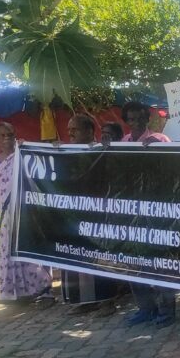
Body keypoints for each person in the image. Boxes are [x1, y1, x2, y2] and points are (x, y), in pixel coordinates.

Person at [0, 123, 54, 307]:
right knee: (10, 253)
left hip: (29, 212)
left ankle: (44, 291)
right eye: (2, 135)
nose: (7, 138)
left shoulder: (25, 153)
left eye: (10, 134)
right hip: (8, 215)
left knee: (32, 250)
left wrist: (27, 148)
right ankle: (20, 293)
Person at [119, 102, 176, 327]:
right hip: (131, 211)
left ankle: (166, 311)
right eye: (131, 119)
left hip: (156, 210)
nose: (135, 123)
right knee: (134, 263)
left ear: (147, 119)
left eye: (139, 118)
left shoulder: (160, 139)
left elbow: (174, 167)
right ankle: (145, 308)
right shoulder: (122, 143)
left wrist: (158, 149)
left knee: (159, 262)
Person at [61, 115, 119, 316]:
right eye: (69, 130)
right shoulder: (67, 152)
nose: (70, 134)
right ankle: (84, 301)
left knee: (99, 257)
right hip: (74, 214)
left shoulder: (101, 151)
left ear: (89, 131)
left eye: (75, 129)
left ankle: (107, 301)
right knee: (77, 257)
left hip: (98, 214)